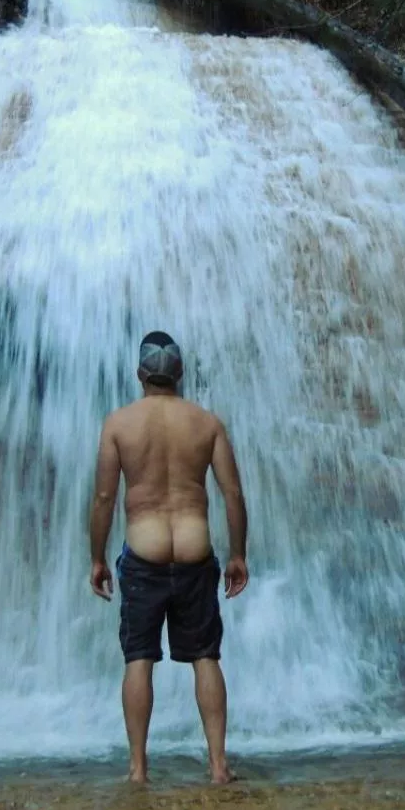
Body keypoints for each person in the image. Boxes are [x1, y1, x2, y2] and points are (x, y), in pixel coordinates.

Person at [88, 331, 249, 784]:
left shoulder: (119, 424)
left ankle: (138, 770)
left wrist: (97, 558)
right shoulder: (206, 423)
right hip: (196, 551)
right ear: (180, 373)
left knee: (138, 658)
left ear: (141, 374)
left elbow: (104, 497)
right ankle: (219, 766)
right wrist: (238, 554)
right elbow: (232, 493)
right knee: (205, 658)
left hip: (143, 552)